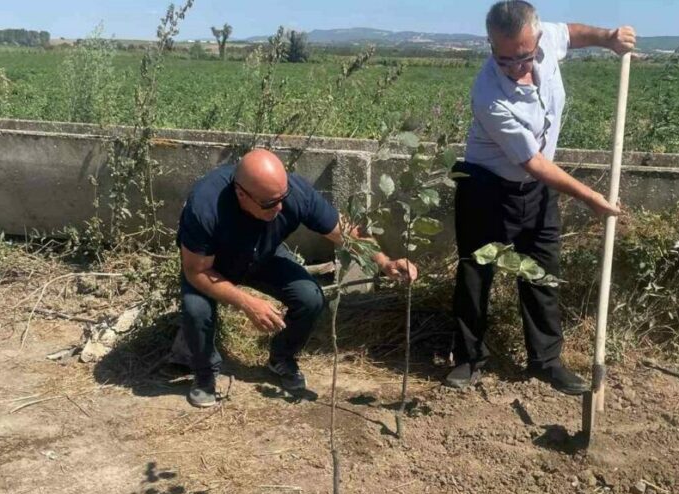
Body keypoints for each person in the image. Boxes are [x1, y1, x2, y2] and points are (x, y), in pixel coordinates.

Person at [447, 0, 636, 394]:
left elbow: (571, 33)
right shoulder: (488, 95)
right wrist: (591, 198)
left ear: (535, 39)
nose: (517, 67)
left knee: (542, 272)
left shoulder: (546, 37)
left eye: (524, 57)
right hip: (486, 186)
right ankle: (468, 359)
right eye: (505, 60)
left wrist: (608, 38)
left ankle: (546, 361)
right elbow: (532, 161)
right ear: (490, 45)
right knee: (475, 274)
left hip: (536, 190)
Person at [176, 149, 417, 408]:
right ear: (241, 194)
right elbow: (196, 271)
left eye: (283, 198)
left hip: (263, 255)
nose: (279, 208)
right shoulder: (206, 205)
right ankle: (204, 373)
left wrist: (385, 261)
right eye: (269, 203)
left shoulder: (293, 192)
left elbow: (346, 233)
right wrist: (247, 302)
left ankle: (281, 357)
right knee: (196, 309)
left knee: (310, 297)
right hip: (212, 266)